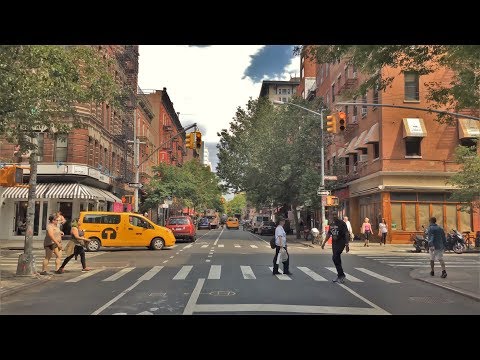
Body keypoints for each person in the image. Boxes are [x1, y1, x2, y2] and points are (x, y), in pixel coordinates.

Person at [321, 214, 350, 283]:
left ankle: (341, 275)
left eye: (335, 215)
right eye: (332, 215)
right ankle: (340, 275)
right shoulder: (331, 224)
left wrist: (347, 244)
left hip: (341, 242)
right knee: (336, 259)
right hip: (334, 244)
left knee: (335, 257)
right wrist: (324, 243)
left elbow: (346, 233)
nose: (333, 216)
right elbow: (329, 234)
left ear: (337, 216)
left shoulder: (342, 223)